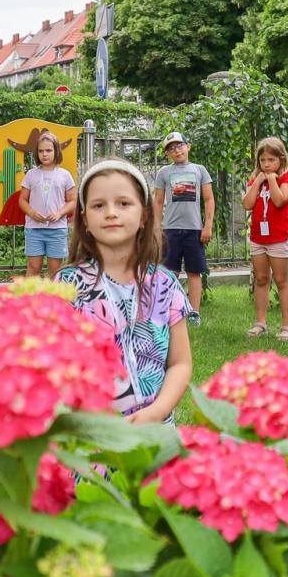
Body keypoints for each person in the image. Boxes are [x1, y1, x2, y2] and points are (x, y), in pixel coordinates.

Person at [58, 159, 193, 424]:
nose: (111, 212)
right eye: (98, 205)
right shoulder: (67, 287)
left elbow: (180, 363)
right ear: (84, 220)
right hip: (90, 440)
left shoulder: (165, 285)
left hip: (153, 436)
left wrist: (158, 410)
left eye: (123, 203)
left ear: (143, 215)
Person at [150, 132, 215, 326]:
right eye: (171, 148)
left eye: (179, 145)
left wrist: (208, 225)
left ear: (189, 146)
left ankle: (194, 313)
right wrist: (156, 228)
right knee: (169, 273)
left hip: (194, 230)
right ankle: (166, 311)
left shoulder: (200, 170)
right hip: (170, 229)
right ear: (167, 154)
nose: (176, 150)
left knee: (194, 272)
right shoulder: (164, 173)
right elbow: (158, 201)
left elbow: (209, 199)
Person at [240, 137, 288, 341]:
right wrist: (257, 181)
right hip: (258, 237)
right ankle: (261, 322)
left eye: (271, 160)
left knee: (282, 280)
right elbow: (247, 204)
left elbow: (280, 200)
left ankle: (287, 326)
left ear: (281, 159)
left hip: (278, 237)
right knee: (262, 279)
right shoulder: (256, 178)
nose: (266, 164)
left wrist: (272, 179)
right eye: (263, 160)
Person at [20, 130, 76, 279]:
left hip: (57, 230)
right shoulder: (31, 174)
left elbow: (73, 201)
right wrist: (31, 213)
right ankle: (32, 301)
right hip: (34, 229)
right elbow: (22, 200)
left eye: (48, 150)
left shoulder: (65, 175)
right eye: (41, 151)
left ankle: (54, 301)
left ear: (56, 151)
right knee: (33, 268)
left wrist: (59, 213)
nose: (44, 154)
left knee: (55, 271)